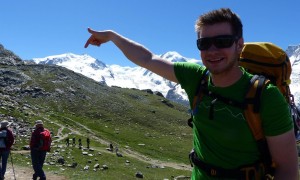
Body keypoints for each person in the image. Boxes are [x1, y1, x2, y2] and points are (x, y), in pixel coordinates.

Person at [84, 8, 298, 179]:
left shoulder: (267, 96)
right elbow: (147, 59)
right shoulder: (196, 77)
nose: (212, 50)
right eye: (204, 44)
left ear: (239, 45)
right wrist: (112, 36)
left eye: (222, 41)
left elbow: (288, 170)